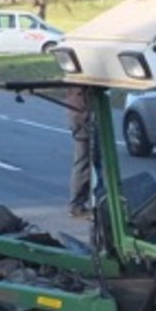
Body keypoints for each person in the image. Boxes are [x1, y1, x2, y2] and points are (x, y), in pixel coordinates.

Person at [66, 85, 93, 218]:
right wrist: (82, 118)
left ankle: (88, 201)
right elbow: (78, 100)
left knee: (90, 162)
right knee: (84, 162)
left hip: (82, 115)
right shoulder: (80, 87)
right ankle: (76, 205)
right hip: (82, 117)